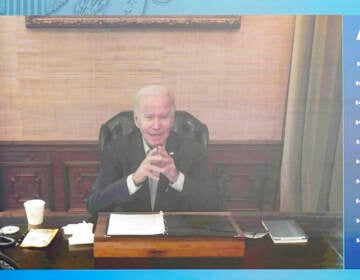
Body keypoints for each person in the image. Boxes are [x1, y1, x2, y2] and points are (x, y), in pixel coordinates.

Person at [86, 85, 219, 217]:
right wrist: (134, 180)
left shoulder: (193, 150)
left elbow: (215, 205)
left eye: (163, 117)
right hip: (131, 234)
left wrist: (177, 178)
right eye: (149, 117)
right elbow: (94, 205)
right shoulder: (116, 149)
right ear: (137, 120)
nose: (156, 126)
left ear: (172, 120)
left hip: (175, 234)